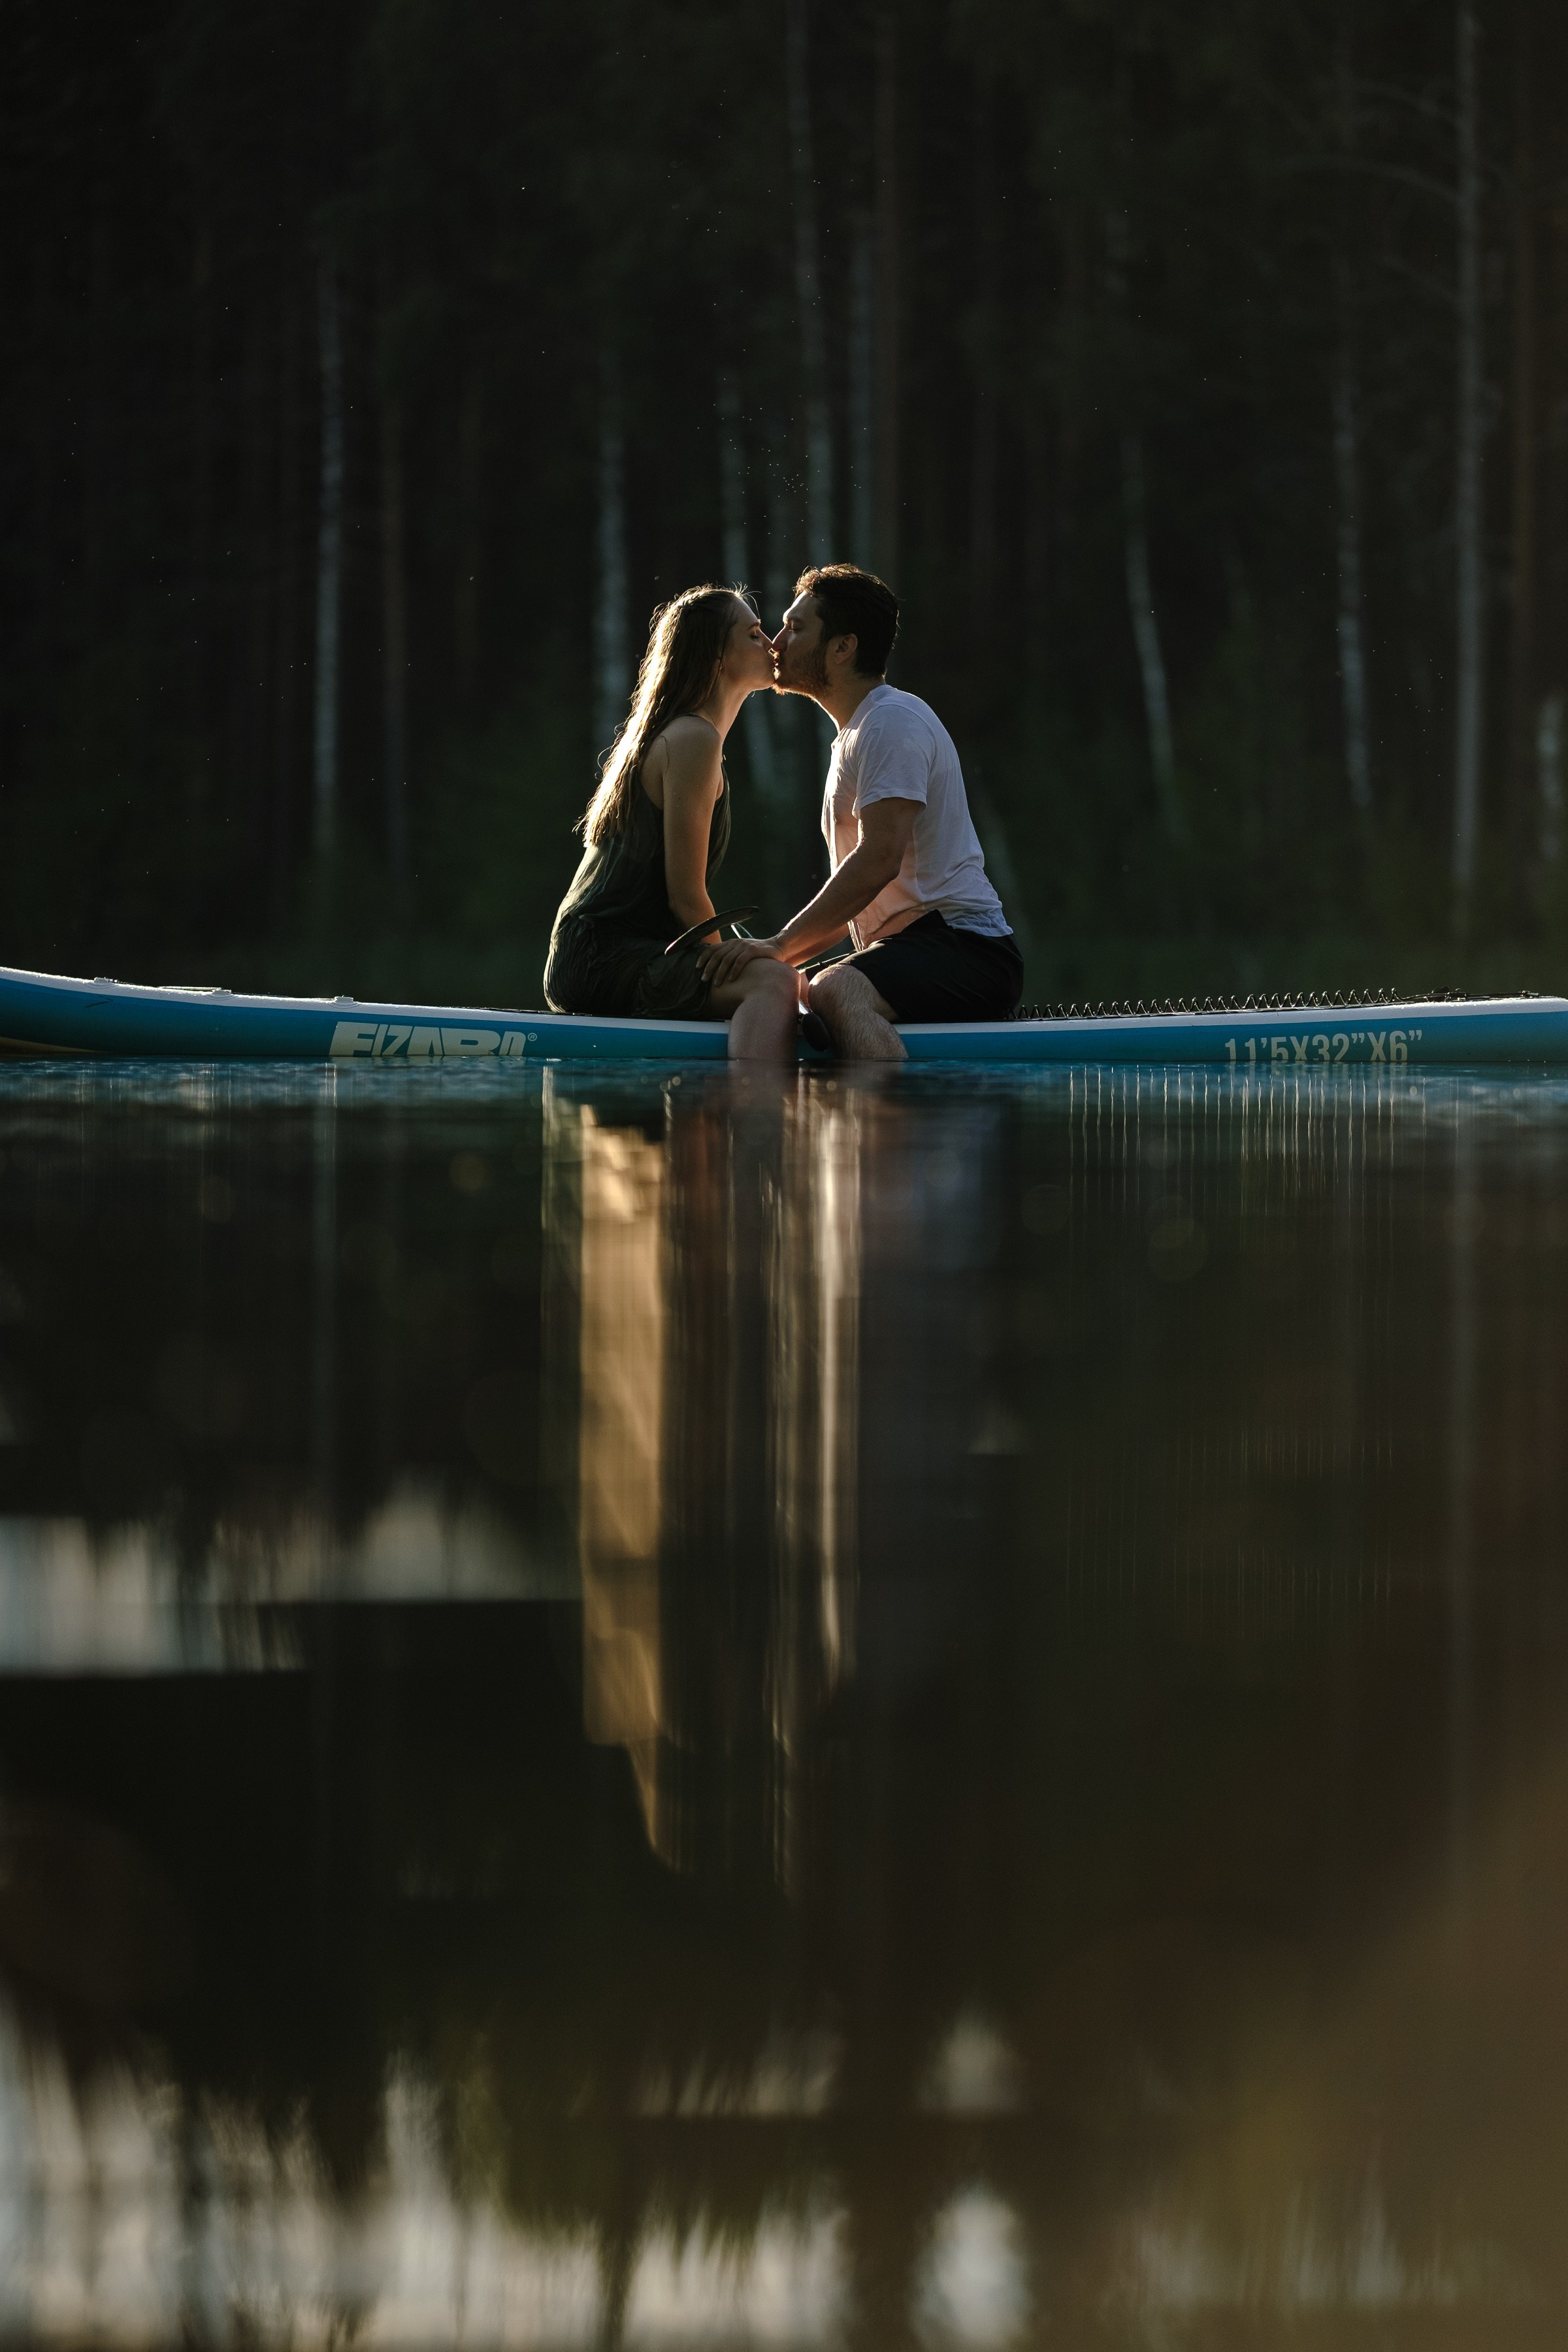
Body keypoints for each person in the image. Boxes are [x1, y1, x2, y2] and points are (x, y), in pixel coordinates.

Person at [698, 565, 1022, 1060]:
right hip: (914, 949)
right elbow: (858, 899)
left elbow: (878, 860)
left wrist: (780, 945)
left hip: (969, 950)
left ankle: (883, 1125)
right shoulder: (857, 732)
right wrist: (776, 960)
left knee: (833, 990)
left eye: (797, 627)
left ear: (843, 648)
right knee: (791, 990)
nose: (777, 641)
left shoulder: (890, 723)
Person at [544, 585, 800, 1060]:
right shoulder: (692, 739)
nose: (770, 643)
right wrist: (732, 964)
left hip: (621, 953)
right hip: (600, 958)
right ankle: (756, 1118)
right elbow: (686, 895)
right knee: (773, 982)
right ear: (715, 657)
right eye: (753, 633)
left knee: (783, 976)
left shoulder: (692, 737)